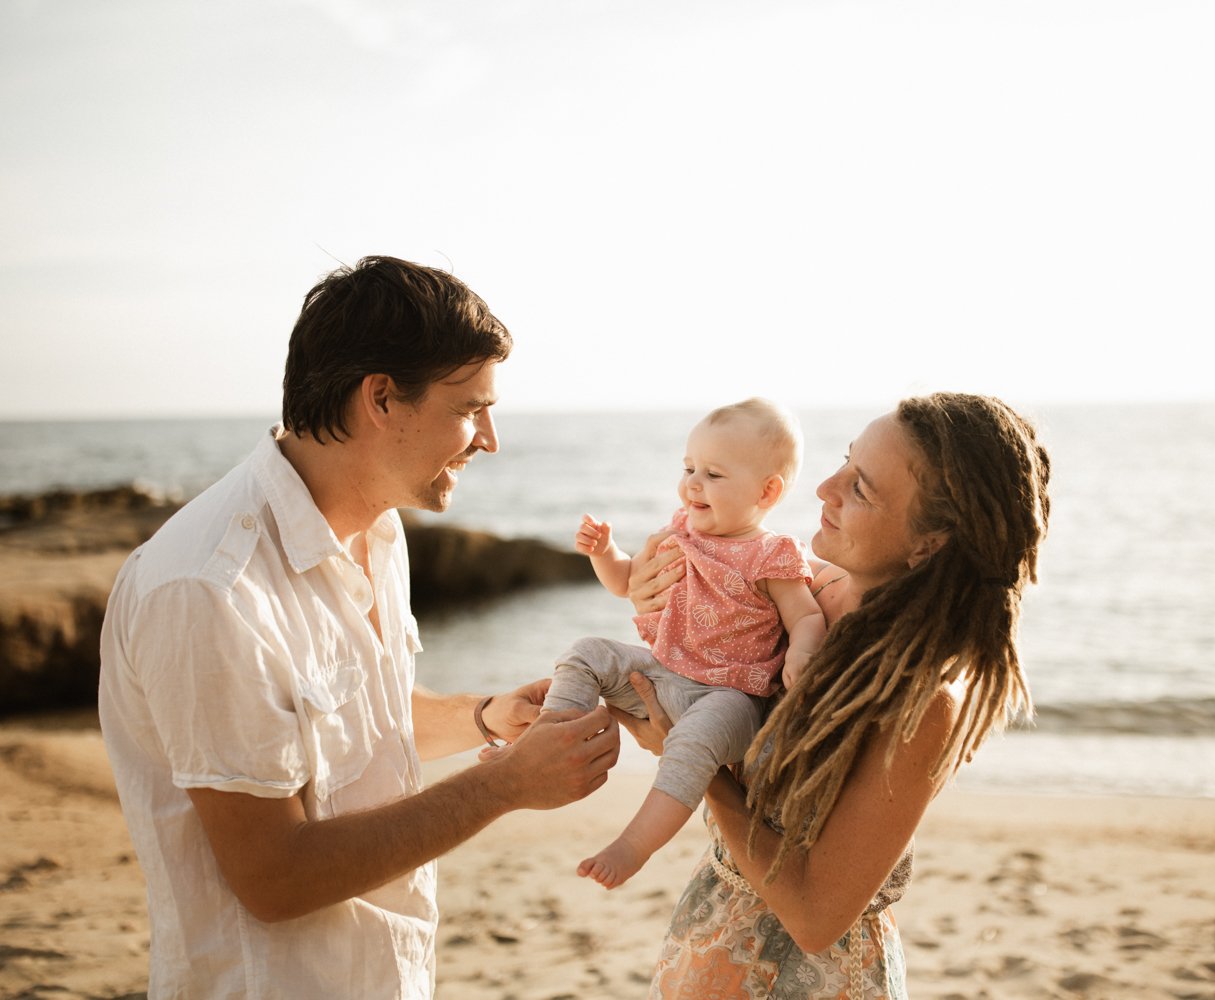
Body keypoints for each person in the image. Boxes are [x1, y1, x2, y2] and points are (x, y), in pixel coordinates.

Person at [97, 256, 621, 999]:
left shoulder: (377, 532)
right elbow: (274, 876)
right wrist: (504, 787)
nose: (489, 439)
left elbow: (357, 721)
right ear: (381, 398)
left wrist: (486, 718)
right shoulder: (209, 589)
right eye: (470, 408)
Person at [617, 392, 1050, 998]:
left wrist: (696, 763)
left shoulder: (919, 699)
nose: (824, 487)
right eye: (845, 461)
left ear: (930, 542)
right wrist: (650, 595)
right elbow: (705, 647)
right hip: (710, 945)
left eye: (862, 488)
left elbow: (817, 916)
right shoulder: (813, 598)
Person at [545, 397, 827, 889]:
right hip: (659, 674)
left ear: (768, 490)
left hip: (729, 699)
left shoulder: (772, 554)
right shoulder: (681, 530)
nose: (693, 483)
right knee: (588, 651)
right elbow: (626, 582)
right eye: (689, 467)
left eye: (714, 475)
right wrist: (606, 552)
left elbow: (805, 614)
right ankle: (542, 741)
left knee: (692, 745)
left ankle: (633, 845)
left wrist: (803, 650)